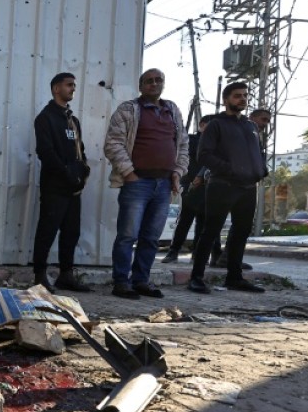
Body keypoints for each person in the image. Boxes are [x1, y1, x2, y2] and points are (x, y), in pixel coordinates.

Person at [104, 68, 189, 299]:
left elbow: (182, 145)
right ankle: (121, 282)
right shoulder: (129, 110)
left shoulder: (172, 110)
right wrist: (129, 173)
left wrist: (177, 173)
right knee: (128, 235)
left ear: (164, 84)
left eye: (158, 80)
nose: (154, 84)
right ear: (141, 86)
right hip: (137, 183)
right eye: (149, 81)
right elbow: (113, 144)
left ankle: (141, 280)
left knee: (151, 238)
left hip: (163, 185)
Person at [188, 82, 268, 294]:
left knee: (241, 232)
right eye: (237, 96)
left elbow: (258, 152)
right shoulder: (216, 124)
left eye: (244, 95)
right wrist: (229, 169)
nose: (242, 99)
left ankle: (234, 277)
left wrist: (261, 169)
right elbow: (204, 155)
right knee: (211, 231)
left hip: (248, 187)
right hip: (222, 185)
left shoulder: (250, 126)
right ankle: (196, 278)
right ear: (226, 100)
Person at [30, 72, 91, 293]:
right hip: (55, 186)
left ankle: (66, 275)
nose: (73, 88)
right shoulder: (45, 118)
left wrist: (83, 171)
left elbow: (79, 150)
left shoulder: (72, 120)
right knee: (47, 230)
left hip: (74, 187)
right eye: (68, 85)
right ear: (56, 88)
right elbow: (45, 152)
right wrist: (66, 173)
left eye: (74, 85)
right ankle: (39, 276)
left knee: (71, 232)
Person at [161, 115, 222, 263]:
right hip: (192, 185)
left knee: (204, 222)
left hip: (211, 187)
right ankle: (173, 251)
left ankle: (198, 254)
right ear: (202, 125)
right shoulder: (192, 140)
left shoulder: (217, 143)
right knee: (185, 220)